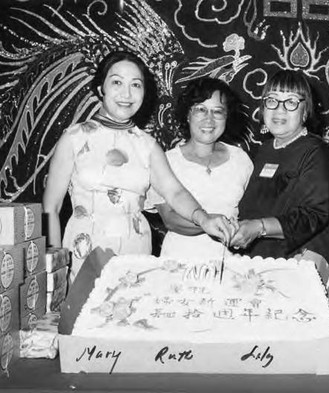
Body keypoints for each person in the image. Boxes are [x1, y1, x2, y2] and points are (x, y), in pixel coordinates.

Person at [43, 51, 232, 282]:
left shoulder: (148, 145)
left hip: (135, 254)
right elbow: (51, 207)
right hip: (84, 254)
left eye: (136, 85)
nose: (127, 93)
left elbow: (175, 192)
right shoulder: (74, 138)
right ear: (101, 89)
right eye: (116, 83)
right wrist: (53, 270)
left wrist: (204, 219)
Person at [231, 70, 329, 271]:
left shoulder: (316, 152)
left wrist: (259, 227)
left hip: (300, 263)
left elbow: (312, 216)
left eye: (291, 102)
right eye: (272, 100)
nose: (279, 110)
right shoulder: (264, 150)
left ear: (305, 110)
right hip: (261, 262)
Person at [146, 77, 253, 259]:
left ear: (227, 117)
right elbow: (170, 220)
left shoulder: (240, 159)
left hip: (231, 263)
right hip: (179, 262)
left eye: (218, 112)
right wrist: (209, 224)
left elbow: (252, 212)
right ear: (188, 114)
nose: (209, 119)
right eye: (201, 110)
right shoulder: (166, 161)